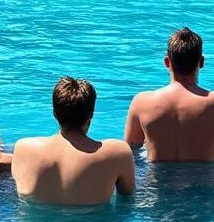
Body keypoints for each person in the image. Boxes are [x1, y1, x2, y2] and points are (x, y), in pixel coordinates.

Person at [124, 27, 214, 162]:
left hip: (156, 182)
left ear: (167, 62)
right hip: (207, 181)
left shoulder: (141, 101)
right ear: (201, 62)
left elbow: (132, 145)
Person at [12, 76, 135, 205]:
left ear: (54, 113)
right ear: (91, 115)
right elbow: (128, 199)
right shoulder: (118, 153)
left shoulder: (23, 148)